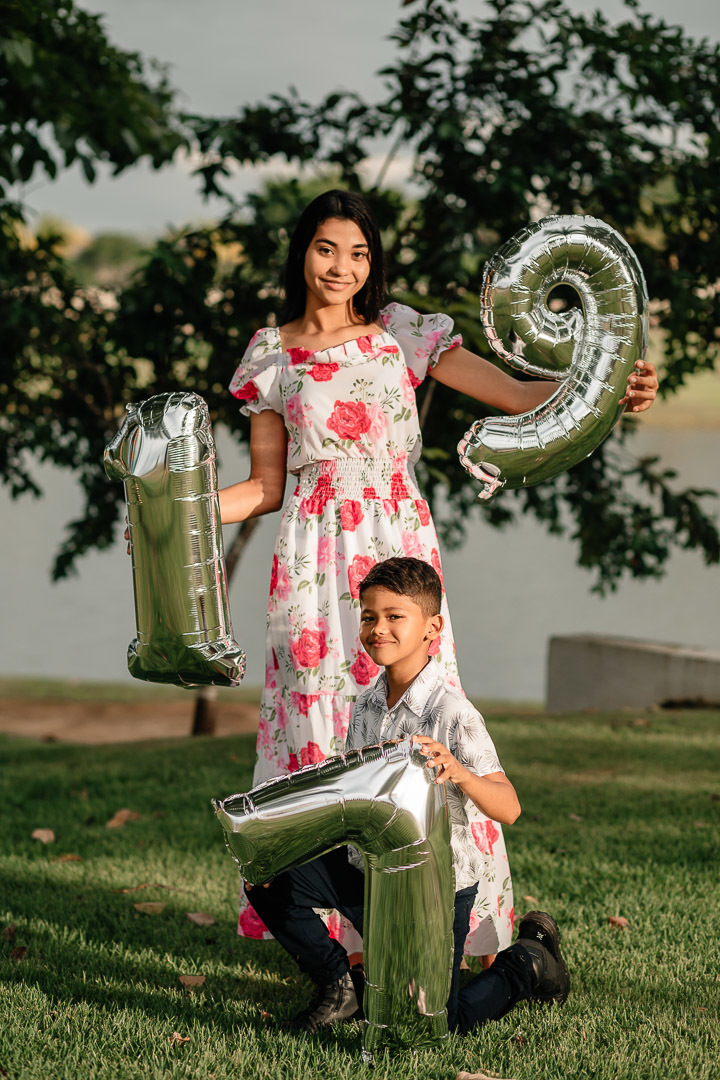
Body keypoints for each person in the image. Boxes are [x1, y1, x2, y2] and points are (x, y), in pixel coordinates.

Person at [218, 188, 658, 960]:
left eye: (359, 253)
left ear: (373, 260)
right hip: (314, 565)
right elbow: (264, 487)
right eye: (327, 248)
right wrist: (173, 514)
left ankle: (459, 930)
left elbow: (519, 396)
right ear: (303, 252)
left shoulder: (401, 332)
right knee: (321, 734)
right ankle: (345, 943)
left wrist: (608, 392)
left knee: (421, 725)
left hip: (400, 542)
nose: (342, 267)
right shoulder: (271, 353)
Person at [247, 556, 569, 1033]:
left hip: (434, 890)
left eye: (395, 616)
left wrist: (459, 771)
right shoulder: (366, 706)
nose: (378, 628)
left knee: (430, 1024)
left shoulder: (454, 713)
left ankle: (529, 961)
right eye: (369, 616)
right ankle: (341, 987)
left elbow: (510, 807)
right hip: (370, 875)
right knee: (267, 877)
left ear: (431, 628)